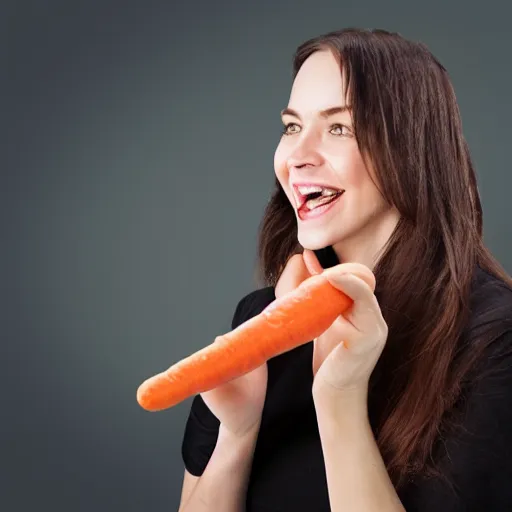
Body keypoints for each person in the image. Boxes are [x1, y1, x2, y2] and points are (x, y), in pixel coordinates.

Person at [177, 28, 512, 511]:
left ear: (411, 149)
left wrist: (339, 401)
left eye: (339, 128)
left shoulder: (495, 344)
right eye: (292, 126)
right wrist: (237, 432)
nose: (298, 156)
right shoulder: (259, 321)